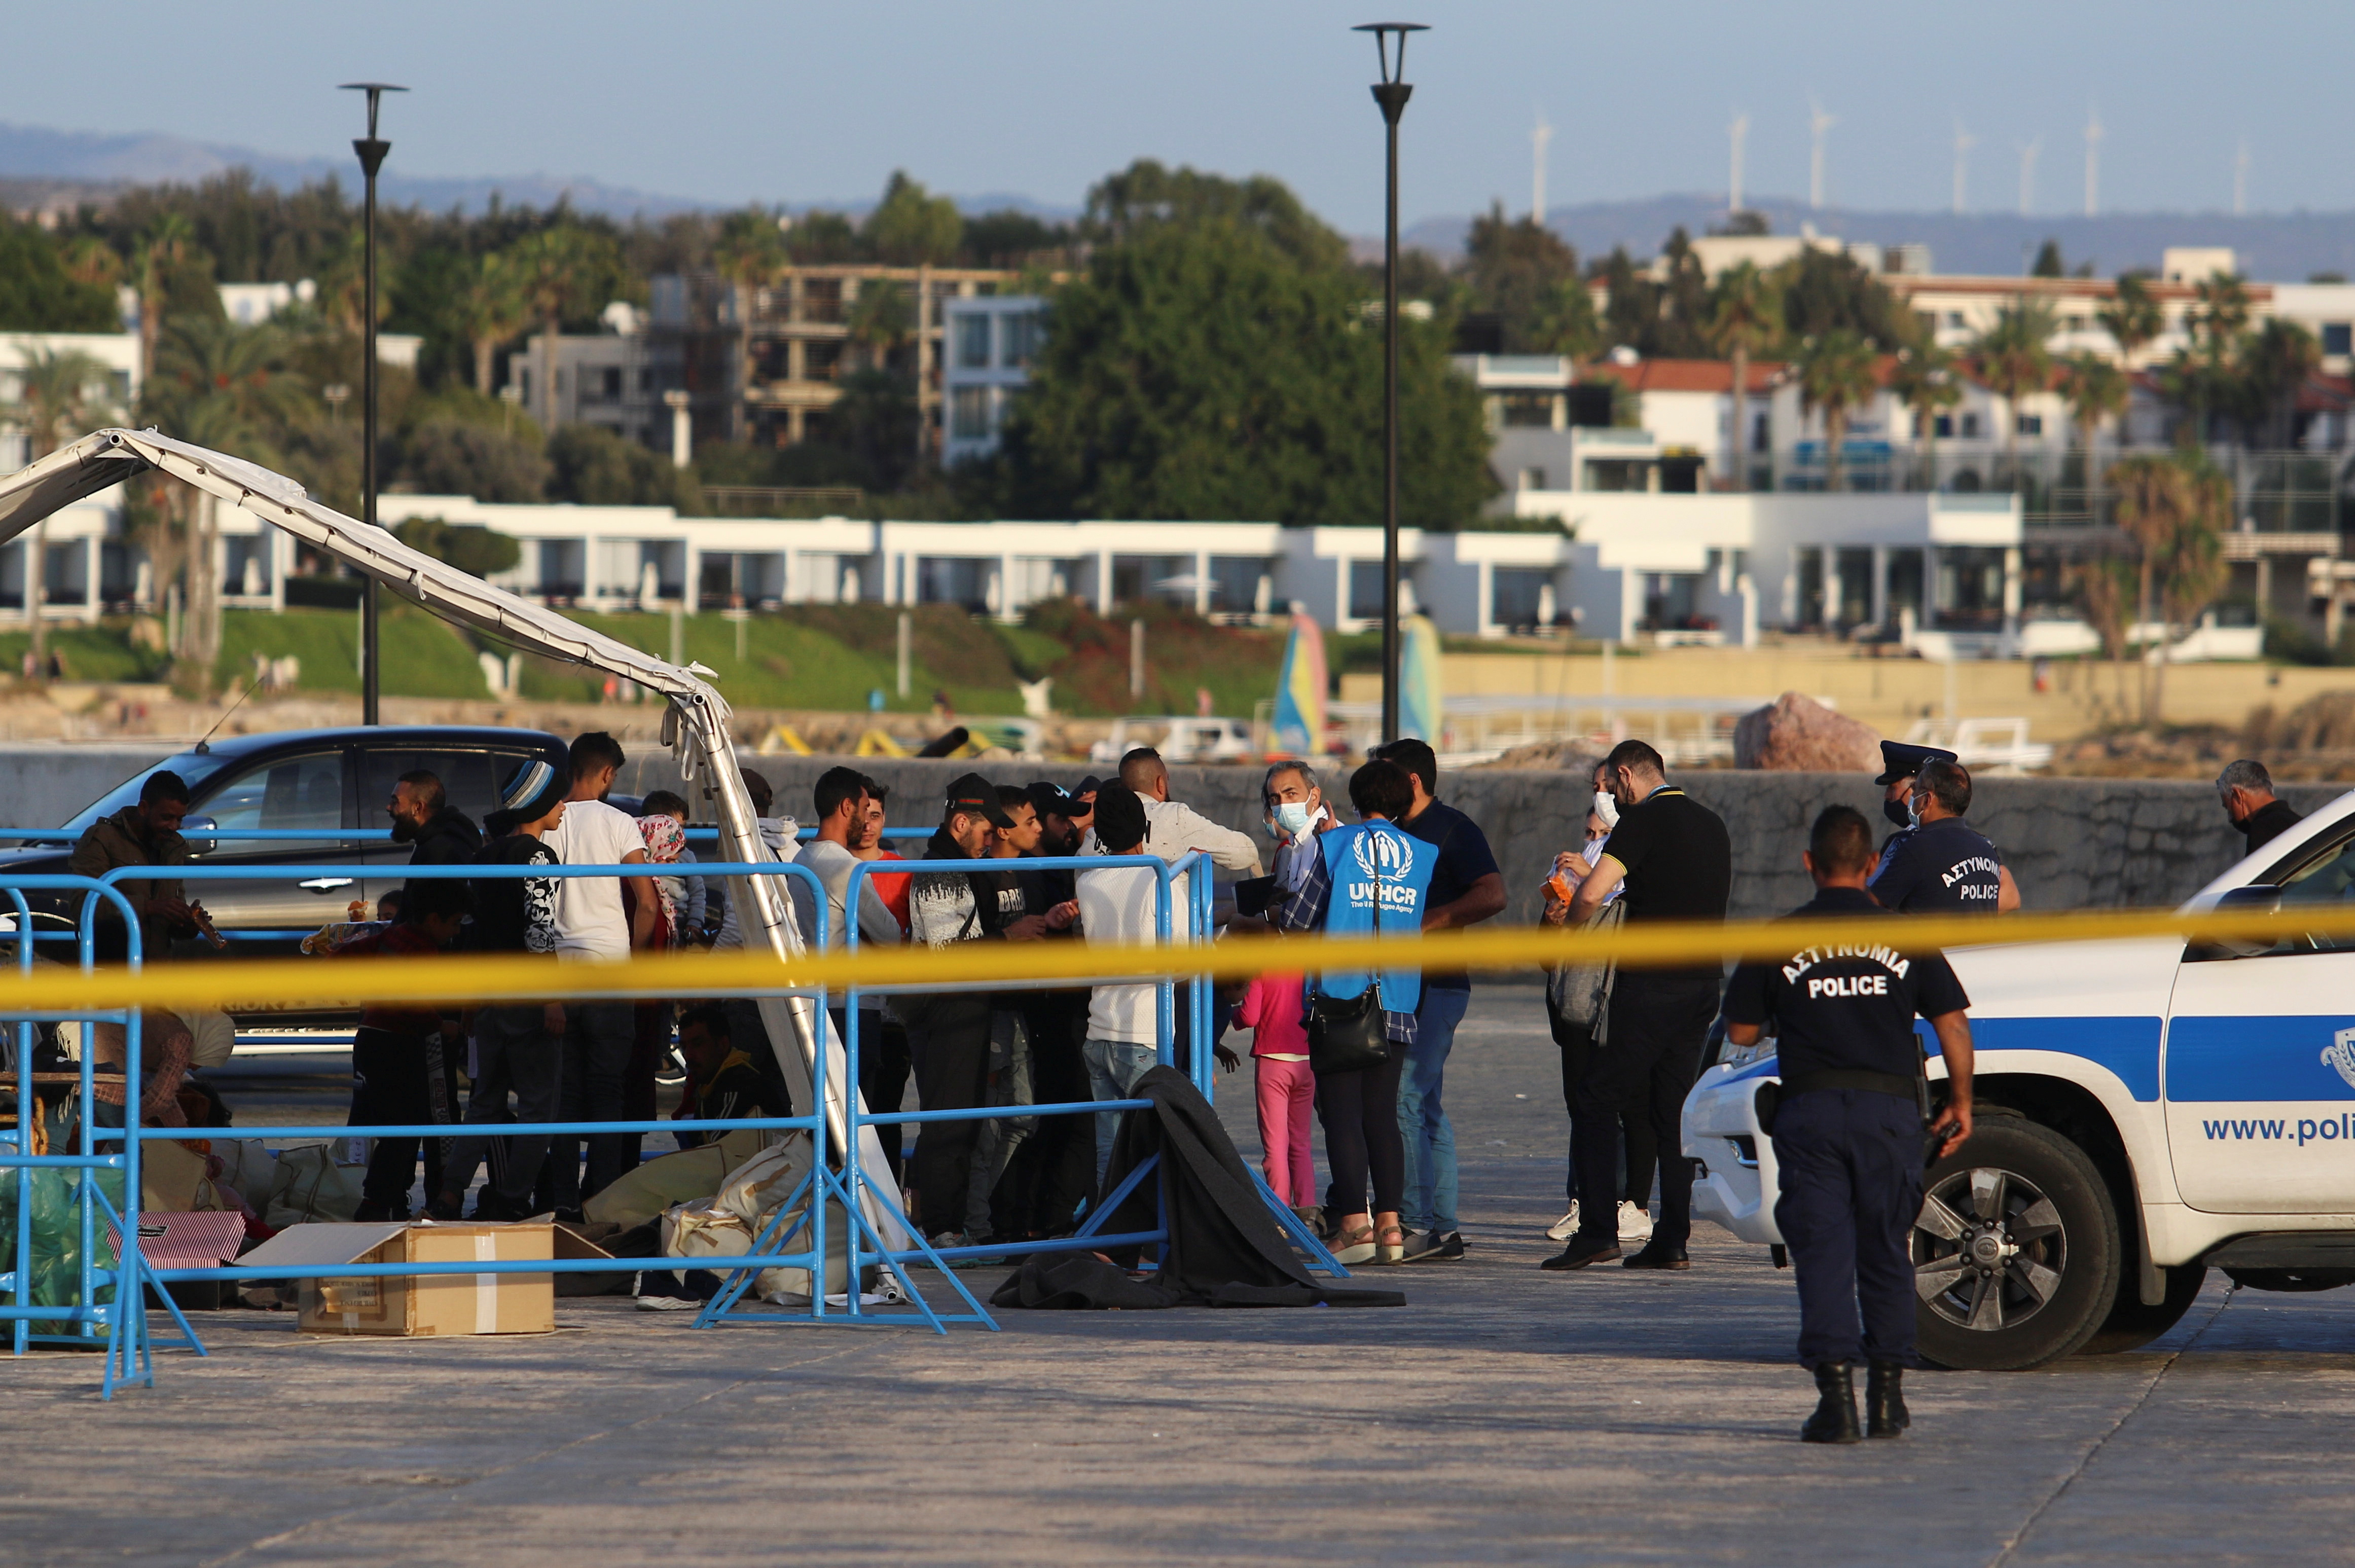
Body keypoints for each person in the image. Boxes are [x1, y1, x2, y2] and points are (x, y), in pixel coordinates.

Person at [1721, 805, 1976, 1443]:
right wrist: (1962, 1104)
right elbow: (1952, 1025)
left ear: (1809, 864)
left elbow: (1741, 1032)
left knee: (1823, 1254)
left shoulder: (1778, 938)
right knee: (1887, 1252)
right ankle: (1888, 1397)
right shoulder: (1904, 937)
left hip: (1810, 1114)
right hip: (1889, 1115)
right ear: (1869, 866)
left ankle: (1835, 1402)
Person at [1550, 739, 1731, 1271]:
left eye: (1610, 786)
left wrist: (1578, 933)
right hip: (1701, 984)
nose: (1608, 795)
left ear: (1627, 777)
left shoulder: (1642, 822)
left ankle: (1598, 1232)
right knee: (1671, 1110)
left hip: (1650, 985)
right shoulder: (1710, 822)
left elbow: (1589, 895)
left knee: (1594, 1097)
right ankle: (1672, 1239)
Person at [1272, 759, 1437, 1267]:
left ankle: (1353, 1225)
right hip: (1399, 998)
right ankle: (1391, 1227)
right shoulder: (1423, 853)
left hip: (1341, 1000)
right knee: (1381, 1116)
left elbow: (1298, 920)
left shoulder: (1333, 846)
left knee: (1342, 1116)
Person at [1371, 738, 1507, 1264]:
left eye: (1386, 779)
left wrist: (1430, 922)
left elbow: (1492, 893)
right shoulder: (1391, 831)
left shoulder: (1454, 829)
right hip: (1398, 987)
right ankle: (1445, 1227)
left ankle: (1417, 1224)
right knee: (1425, 1107)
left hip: (1440, 987)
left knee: (1405, 1095)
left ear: (1411, 782)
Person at [900, 774, 1037, 1246]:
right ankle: (941, 1227)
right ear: (961, 822)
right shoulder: (940, 870)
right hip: (947, 1011)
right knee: (948, 1121)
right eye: (985, 830)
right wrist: (1009, 938)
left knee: (960, 1119)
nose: (991, 839)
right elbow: (944, 955)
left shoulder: (954, 866)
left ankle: (948, 1223)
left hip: (961, 1008)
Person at [435, 763, 568, 1221]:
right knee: (537, 1106)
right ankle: (511, 1197)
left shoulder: (483, 858)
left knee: (484, 1104)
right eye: (557, 800)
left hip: (488, 1000)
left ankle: (450, 1193)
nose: (563, 808)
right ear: (538, 805)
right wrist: (552, 998)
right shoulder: (538, 857)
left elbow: (472, 933)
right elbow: (540, 933)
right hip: (527, 999)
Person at [1539, 765, 1653, 1252]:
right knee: (1582, 1101)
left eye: (1609, 789)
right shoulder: (1578, 860)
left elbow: (1636, 905)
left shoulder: (1636, 851)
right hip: (1577, 997)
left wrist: (1593, 883)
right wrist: (1554, 916)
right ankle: (1586, 1200)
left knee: (1627, 1103)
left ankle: (1632, 1204)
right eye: (1594, 792)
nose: (1602, 799)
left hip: (1619, 992)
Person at [541, 732, 654, 1211]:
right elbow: (647, 903)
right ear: (608, 775)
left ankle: (562, 1199)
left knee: (562, 1098)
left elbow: (538, 913)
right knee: (610, 1095)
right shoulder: (619, 823)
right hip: (609, 972)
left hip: (562, 975)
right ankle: (603, 1201)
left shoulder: (547, 824)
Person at [344, 878, 473, 1221]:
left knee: (394, 1127)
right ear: (434, 920)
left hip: (370, 1038)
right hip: (395, 1044)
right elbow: (409, 999)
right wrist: (440, 1024)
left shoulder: (395, 934)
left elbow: (348, 955)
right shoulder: (424, 948)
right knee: (404, 1129)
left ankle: (384, 1200)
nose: (456, 932)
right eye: (455, 922)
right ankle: (376, 1203)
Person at [1074, 784, 1182, 1188]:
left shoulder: (1088, 881)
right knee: (1152, 1148)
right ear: (1145, 827)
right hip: (1144, 1032)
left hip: (1099, 1030)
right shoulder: (1161, 880)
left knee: (1110, 1148)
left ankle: (1110, 1240)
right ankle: (1147, 1237)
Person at [848, 776, 914, 1182]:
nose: (869, 824)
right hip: (847, 1004)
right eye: (862, 815)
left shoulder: (902, 871)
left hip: (891, 1012)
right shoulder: (835, 865)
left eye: (876, 815)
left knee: (887, 1110)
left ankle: (890, 1198)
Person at [1869, 741, 2021, 911]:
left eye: (1892, 787)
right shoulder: (1982, 845)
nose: (1887, 796)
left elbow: (1871, 907)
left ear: (1925, 795)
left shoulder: (1913, 846)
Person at [68, 770, 199, 962]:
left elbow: (169, 913)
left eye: (179, 819)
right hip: (112, 968)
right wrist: (148, 907)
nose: (174, 826)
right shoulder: (103, 838)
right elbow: (82, 904)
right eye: (166, 817)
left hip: (156, 975)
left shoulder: (173, 847)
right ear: (144, 808)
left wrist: (188, 921)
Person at [1229, 949, 1316, 1209]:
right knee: (1301, 1142)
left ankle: (1281, 1211)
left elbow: (1250, 1016)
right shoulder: (1309, 964)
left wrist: (1232, 1017)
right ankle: (1308, 1208)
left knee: (1275, 1145)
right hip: (1307, 1060)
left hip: (1273, 1061)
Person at [671, 1004, 785, 1148]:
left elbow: (717, 1152)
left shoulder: (738, 1087)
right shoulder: (711, 1080)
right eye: (684, 1047)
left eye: (698, 1044)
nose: (688, 1055)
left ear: (723, 1044)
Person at [640, 789, 707, 941]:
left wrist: (695, 922)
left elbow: (697, 891)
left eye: (682, 828)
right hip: (648, 922)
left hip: (679, 923)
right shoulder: (637, 856)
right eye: (675, 829)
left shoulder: (686, 856)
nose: (680, 836)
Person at [388, 769, 482, 872]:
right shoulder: (432, 841)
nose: (388, 807)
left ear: (418, 808)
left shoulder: (441, 852)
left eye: (395, 801)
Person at [1262, 761, 1330, 895]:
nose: (1283, 804)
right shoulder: (1299, 839)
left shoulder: (1326, 837)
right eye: (1275, 798)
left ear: (1314, 796)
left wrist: (1266, 915)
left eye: (1291, 794)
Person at [2218, 758, 2302, 856]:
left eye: (2228, 807)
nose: (2230, 819)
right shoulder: (2295, 821)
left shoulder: (2264, 828)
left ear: (2238, 796)